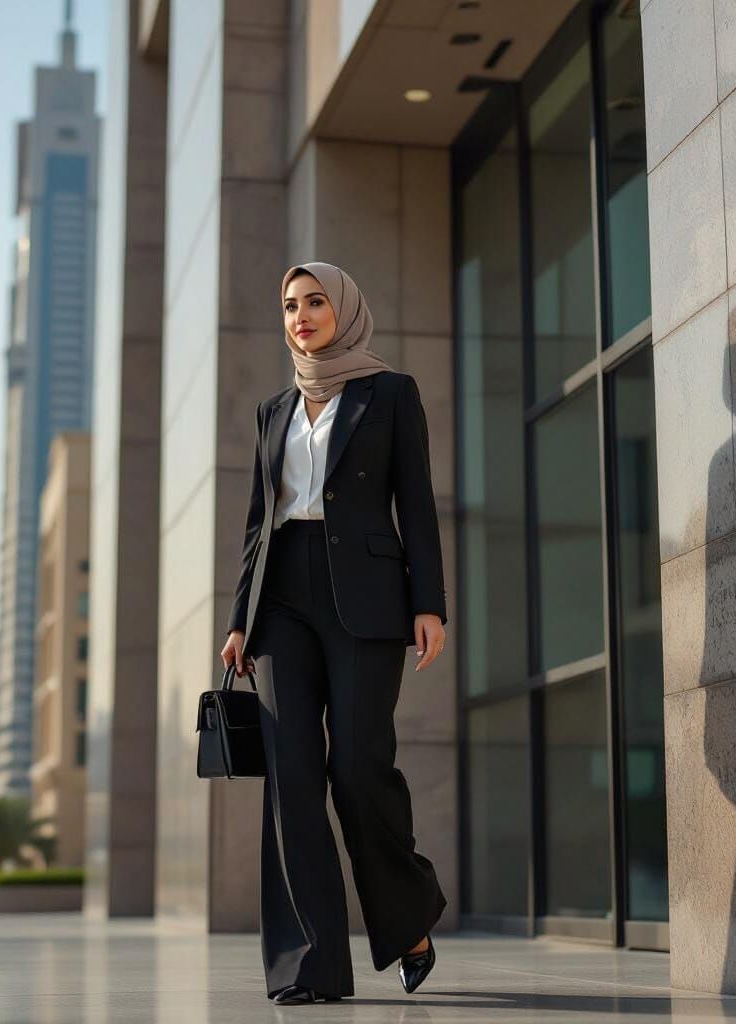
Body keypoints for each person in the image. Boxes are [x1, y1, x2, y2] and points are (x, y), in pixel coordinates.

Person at [220, 261, 448, 1005]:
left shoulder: (388, 393)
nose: (302, 316)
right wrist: (237, 622)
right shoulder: (273, 410)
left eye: (315, 302)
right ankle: (308, 965)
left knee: (357, 767)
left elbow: (414, 500)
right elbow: (260, 524)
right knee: (290, 778)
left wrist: (429, 601)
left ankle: (408, 917)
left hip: (368, 598)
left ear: (344, 308)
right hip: (281, 600)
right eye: (290, 305)